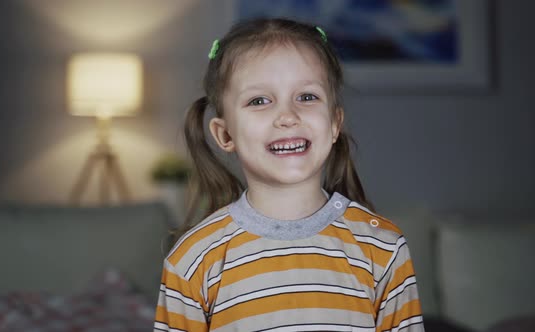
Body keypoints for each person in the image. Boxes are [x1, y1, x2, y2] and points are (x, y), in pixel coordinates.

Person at [154, 18, 424, 332]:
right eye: (259, 101)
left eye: (307, 97)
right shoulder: (191, 260)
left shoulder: (384, 248)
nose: (287, 117)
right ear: (224, 134)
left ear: (335, 123)